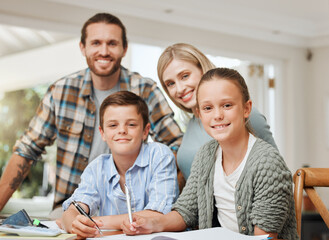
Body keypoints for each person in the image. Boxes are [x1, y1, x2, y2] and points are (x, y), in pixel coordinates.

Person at [0, 13, 182, 214]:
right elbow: (27, 149)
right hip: (71, 208)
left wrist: (160, 202)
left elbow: (176, 147)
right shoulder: (61, 91)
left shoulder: (146, 90)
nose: (104, 51)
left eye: (112, 43)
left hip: (133, 210)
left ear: (124, 48)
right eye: (96, 43)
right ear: (82, 47)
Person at [121, 68, 299, 240]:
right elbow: (186, 212)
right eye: (208, 108)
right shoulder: (206, 154)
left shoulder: (267, 163)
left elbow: (263, 238)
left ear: (246, 109)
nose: (218, 115)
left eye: (227, 105)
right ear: (199, 113)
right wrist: (151, 224)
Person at [61, 91, 178, 239]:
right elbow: (73, 210)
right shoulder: (96, 168)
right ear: (102, 133)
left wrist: (98, 221)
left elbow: (159, 214)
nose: (122, 130)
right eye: (113, 125)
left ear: (145, 131)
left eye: (131, 124)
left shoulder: (159, 155)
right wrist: (73, 222)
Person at [157, 43, 277, 181]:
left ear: (202, 70)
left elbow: (276, 172)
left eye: (185, 76)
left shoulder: (245, 116)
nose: (179, 88)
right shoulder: (191, 125)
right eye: (170, 83)